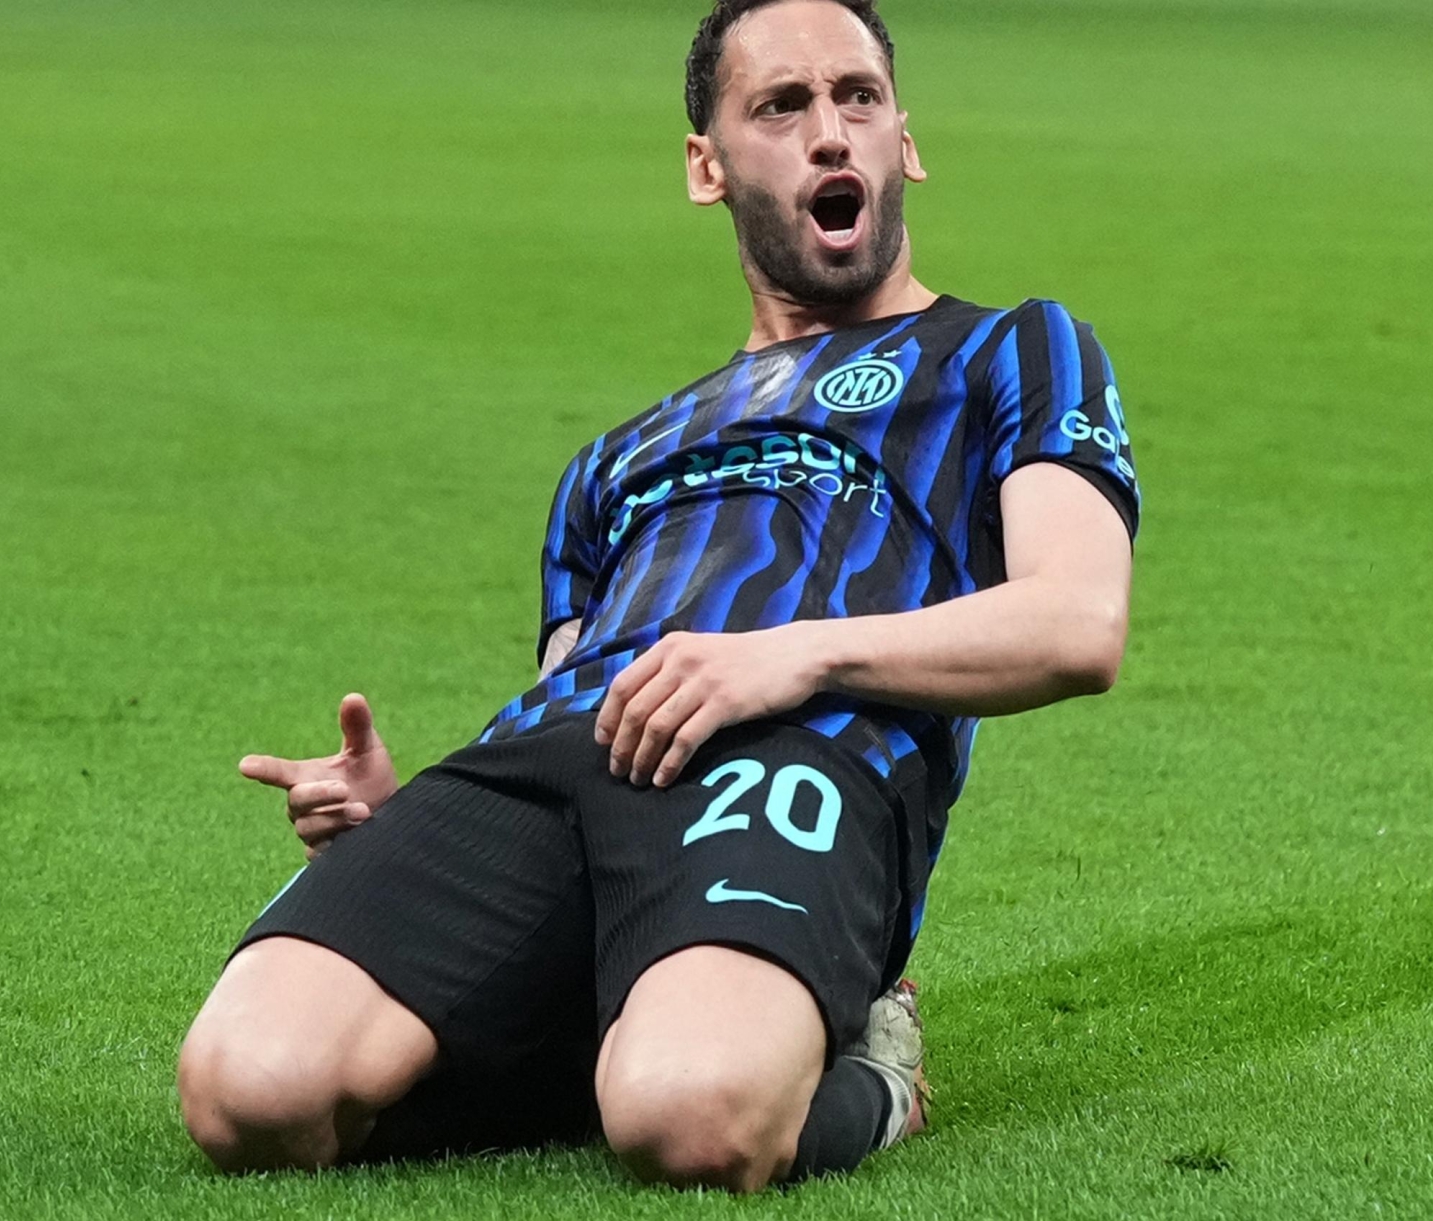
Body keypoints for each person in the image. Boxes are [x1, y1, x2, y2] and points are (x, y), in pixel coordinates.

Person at [175, 0, 1139, 1193]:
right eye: (781, 106)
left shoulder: (1010, 352)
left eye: (858, 98)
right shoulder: (617, 456)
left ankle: (873, 1063)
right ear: (708, 167)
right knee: (246, 1092)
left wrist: (794, 656)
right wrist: (401, 813)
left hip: (798, 750)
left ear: (906, 143)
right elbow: (564, 689)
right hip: (556, 752)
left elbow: (1078, 623)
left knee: (694, 1121)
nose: (829, 133)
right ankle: (615, 1017)